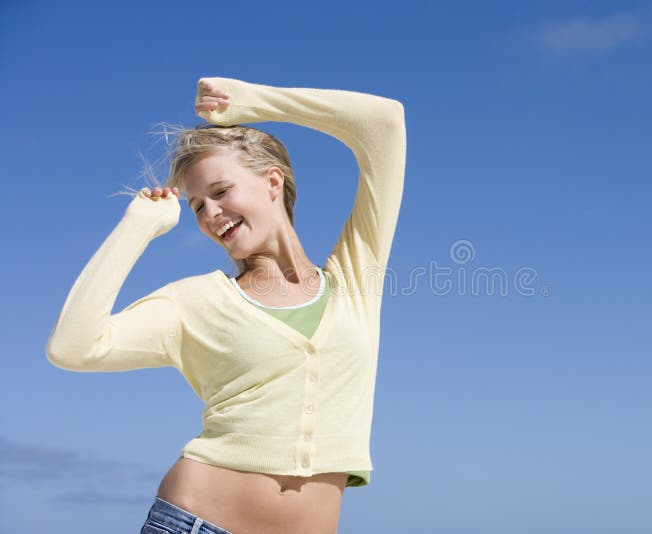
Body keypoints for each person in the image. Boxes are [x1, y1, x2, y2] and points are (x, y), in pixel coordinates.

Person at [45, 76, 406, 534]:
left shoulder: (356, 279)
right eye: (197, 206)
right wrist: (136, 228)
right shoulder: (194, 302)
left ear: (272, 181)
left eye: (220, 192)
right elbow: (72, 348)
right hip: (192, 522)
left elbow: (384, 124)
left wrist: (256, 102)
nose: (210, 214)